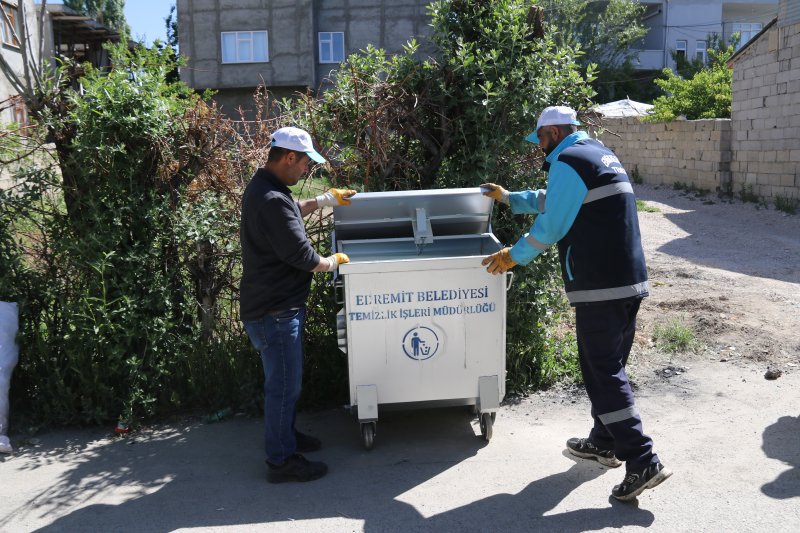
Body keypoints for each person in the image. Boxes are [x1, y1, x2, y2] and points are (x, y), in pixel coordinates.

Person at [481, 106, 671, 501]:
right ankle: (604, 441)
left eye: (540, 139)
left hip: (600, 284)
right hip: (627, 280)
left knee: (603, 373)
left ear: (552, 132)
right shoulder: (598, 154)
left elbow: (553, 223)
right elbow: (559, 200)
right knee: (610, 368)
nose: (540, 148)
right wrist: (511, 198)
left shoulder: (567, 160)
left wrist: (514, 255)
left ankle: (643, 459)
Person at [240, 126, 356, 483]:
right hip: (275, 312)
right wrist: (332, 262)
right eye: (306, 163)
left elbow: (290, 211)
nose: (307, 170)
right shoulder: (271, 199)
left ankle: (285, 436)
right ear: (289, 157)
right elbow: (304, 257)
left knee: (286, 383)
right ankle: (281, 461)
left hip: (273, 307)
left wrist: (324, 201)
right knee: (284, 387)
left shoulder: (264, 188)